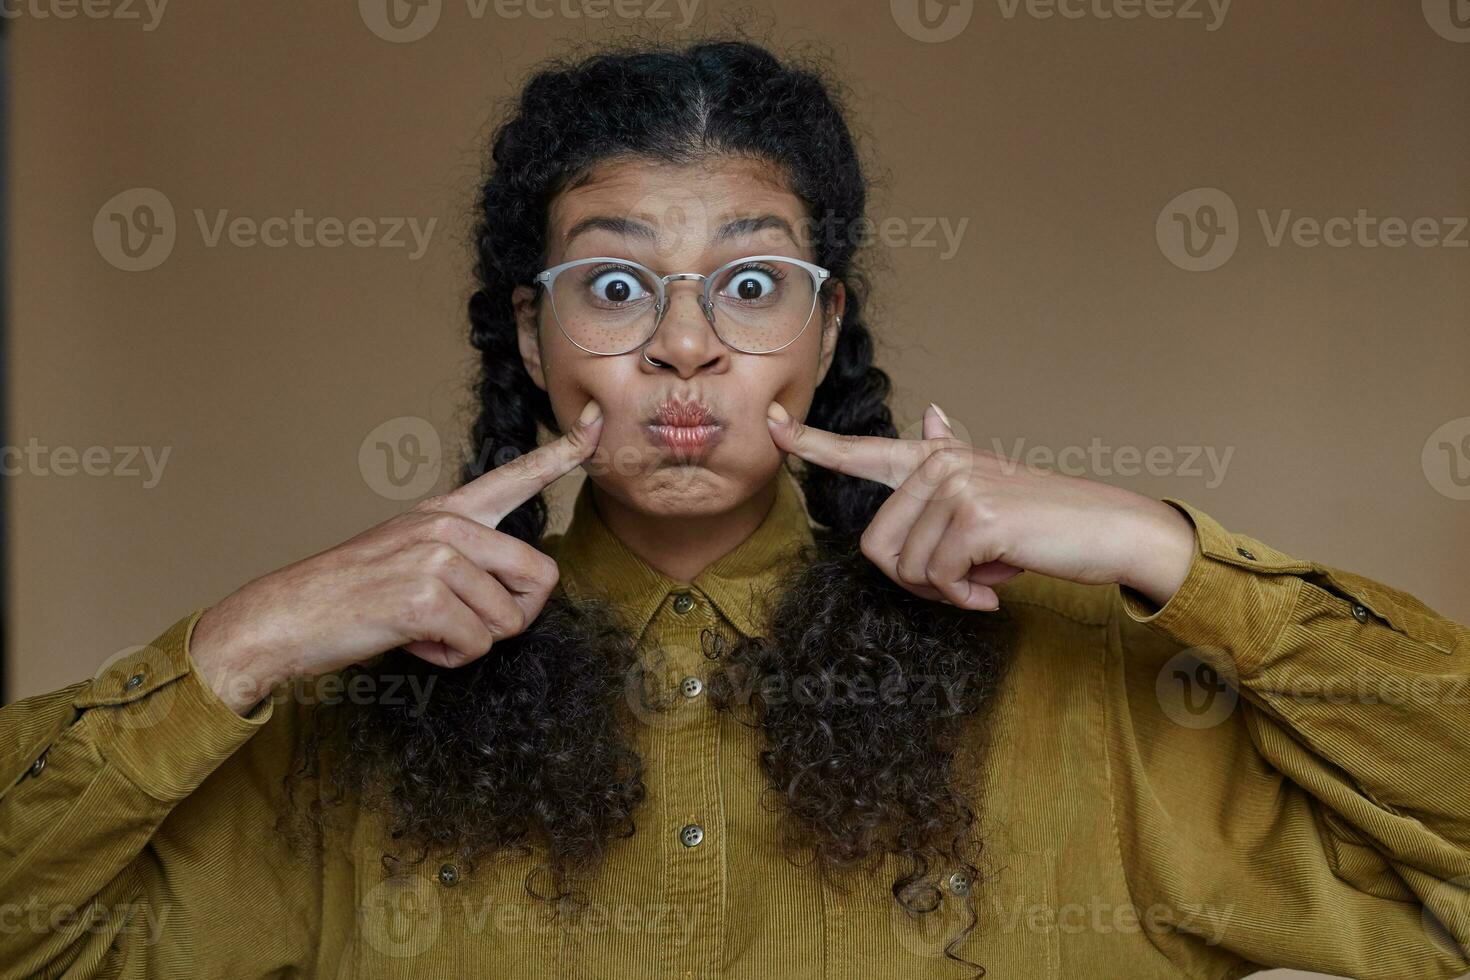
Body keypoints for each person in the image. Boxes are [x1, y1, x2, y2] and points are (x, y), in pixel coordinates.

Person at [2, 38, 1467, 980]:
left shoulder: (1093, 693)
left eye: (752, 283)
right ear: (530, 339)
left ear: (827, 337)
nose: (685, 344)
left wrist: (1166, 551)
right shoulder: (348, 725)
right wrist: (241, 647)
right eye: (616, 284)